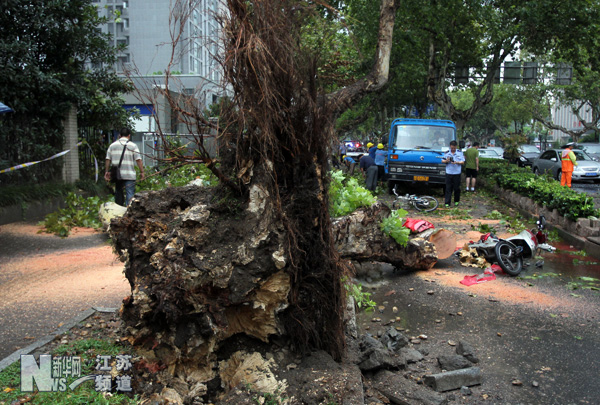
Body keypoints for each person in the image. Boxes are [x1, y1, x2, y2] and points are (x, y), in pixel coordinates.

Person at [105, 128, 145, 206]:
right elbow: (138, 160)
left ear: (119, 135)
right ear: (129, 136)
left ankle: (119, 212)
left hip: (117, 175)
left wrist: (107, 171)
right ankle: (128, 212)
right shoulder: (133, 146)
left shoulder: (112, 146)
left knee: (118, 194)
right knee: (130, 194)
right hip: (129, 174)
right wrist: (142, 172)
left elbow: (107, 159)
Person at [442, 140, 465, 207]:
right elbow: (442, 160)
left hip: (457, 173)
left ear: (456, 147)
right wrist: (446, 160)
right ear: (450, 146)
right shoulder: (447, 153)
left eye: (454, 148)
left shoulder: (459, 153)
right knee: (448, 188)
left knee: (456, 188)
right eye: (452, 148)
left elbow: (463, 162)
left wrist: (457, 162)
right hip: (449, 172)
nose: (453, 149)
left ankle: (456, 201)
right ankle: (447, 202)